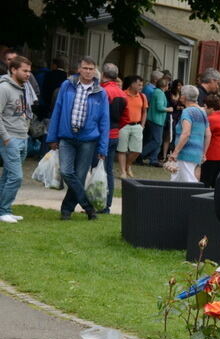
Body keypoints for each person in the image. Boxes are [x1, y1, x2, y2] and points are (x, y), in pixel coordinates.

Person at [46, 56, 109, 220]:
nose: (88, 71)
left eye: (91, 68)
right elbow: (57, 111)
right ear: (78, 69)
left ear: (95, 71)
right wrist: (52, 137)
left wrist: (103, 147)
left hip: (88, 140)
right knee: (67, 171)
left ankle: (66, 210)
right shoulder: (67, 85)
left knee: (79, 177)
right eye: (85, 68)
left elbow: (104, 121)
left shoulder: (100, 93)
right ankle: (88, 207)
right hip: (67, 137)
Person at [0, 55, 32, 224]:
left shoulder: (24, 88)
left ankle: (4, 209)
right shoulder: (4, 88)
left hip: (22, 137)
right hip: (10, 138)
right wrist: (6, 139)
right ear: (13, 69)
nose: (28, 74)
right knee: (16, 177)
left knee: (7, 176)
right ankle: (4, 210)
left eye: (29, 71)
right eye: (24, 71)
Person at [99, 63, 128, 213]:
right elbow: (126, 117)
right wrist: (116, 128)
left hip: (102, 135)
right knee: (108, 170)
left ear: (103, 74)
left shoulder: (103, 91)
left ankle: (98, 201)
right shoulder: (123, 93)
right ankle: (107, 204)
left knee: (97, 169)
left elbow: (97, 115)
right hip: (115, 133)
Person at [167, 85, 210, 183]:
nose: (180, 96)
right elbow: (208, 134)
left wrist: (175, 152)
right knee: (175, 180)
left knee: (189, 182)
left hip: (185, 153)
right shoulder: (202, 112)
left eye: (181, 94)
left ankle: (192, 199)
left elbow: (186, 133)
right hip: (197, 153)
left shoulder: (187, 112)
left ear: (184, 97)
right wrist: (204, 153)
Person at [117, 75, 147, 178]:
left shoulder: (143, 96)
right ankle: (122, 171)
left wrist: (142, 125)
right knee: (122, 149)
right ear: (132, 84)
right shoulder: (123, 94)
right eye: (139, 84)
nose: (141, 87)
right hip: (124, 125)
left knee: (137, 150)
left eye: (142, 85)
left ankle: (127, 165)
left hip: (137, 125)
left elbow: (144, 111)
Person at [200, 93, 220, 188]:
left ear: (211, 108)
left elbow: (204, 135)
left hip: (212, 155)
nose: (204, 109)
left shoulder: (210, 119)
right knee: (217, 184)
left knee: (205, 182)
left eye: (205, 107)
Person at [140, 74, 169, 166]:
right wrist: (169, 109)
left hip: (155, 119)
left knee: (155, 140)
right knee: (157, 141)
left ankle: (153, 159)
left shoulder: (157, 92)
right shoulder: (159, 93)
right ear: (165, 86)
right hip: (156, 120)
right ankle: (140, 154)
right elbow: (159, 107)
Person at [38, 55, 68, 120]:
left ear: (55, 65)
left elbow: (44, 89)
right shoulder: (66, 76)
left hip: (48, 104)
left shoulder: (49, 74)